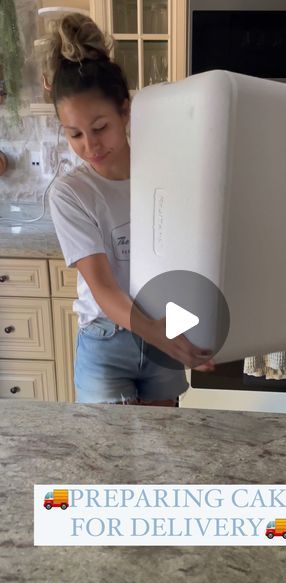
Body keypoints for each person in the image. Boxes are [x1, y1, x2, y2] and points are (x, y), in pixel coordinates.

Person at [45, 13, 214, 407]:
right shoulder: (71, 194)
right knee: (111, 467)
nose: (90, 145)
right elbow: (103, 288)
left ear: (125, 112)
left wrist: (198, 327)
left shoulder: (167, 177)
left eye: (100, 127)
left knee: (163, 462)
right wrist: (158, 332)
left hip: (164, 334)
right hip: (106, 343)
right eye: (75, 134)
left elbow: (191, 262)